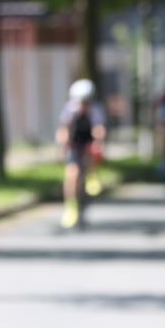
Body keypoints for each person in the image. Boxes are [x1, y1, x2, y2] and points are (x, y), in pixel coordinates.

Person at [56, 79, 106, 229]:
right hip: (75, 143)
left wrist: (98, 142)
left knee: (90, 154)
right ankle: (70, 206)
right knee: (72, 174)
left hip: (88, 142)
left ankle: (92, 176)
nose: (84, 105)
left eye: (87, 101)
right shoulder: (70, 110)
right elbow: (64, 130)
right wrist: (63, 147)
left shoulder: (95, 110)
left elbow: (99, 129)